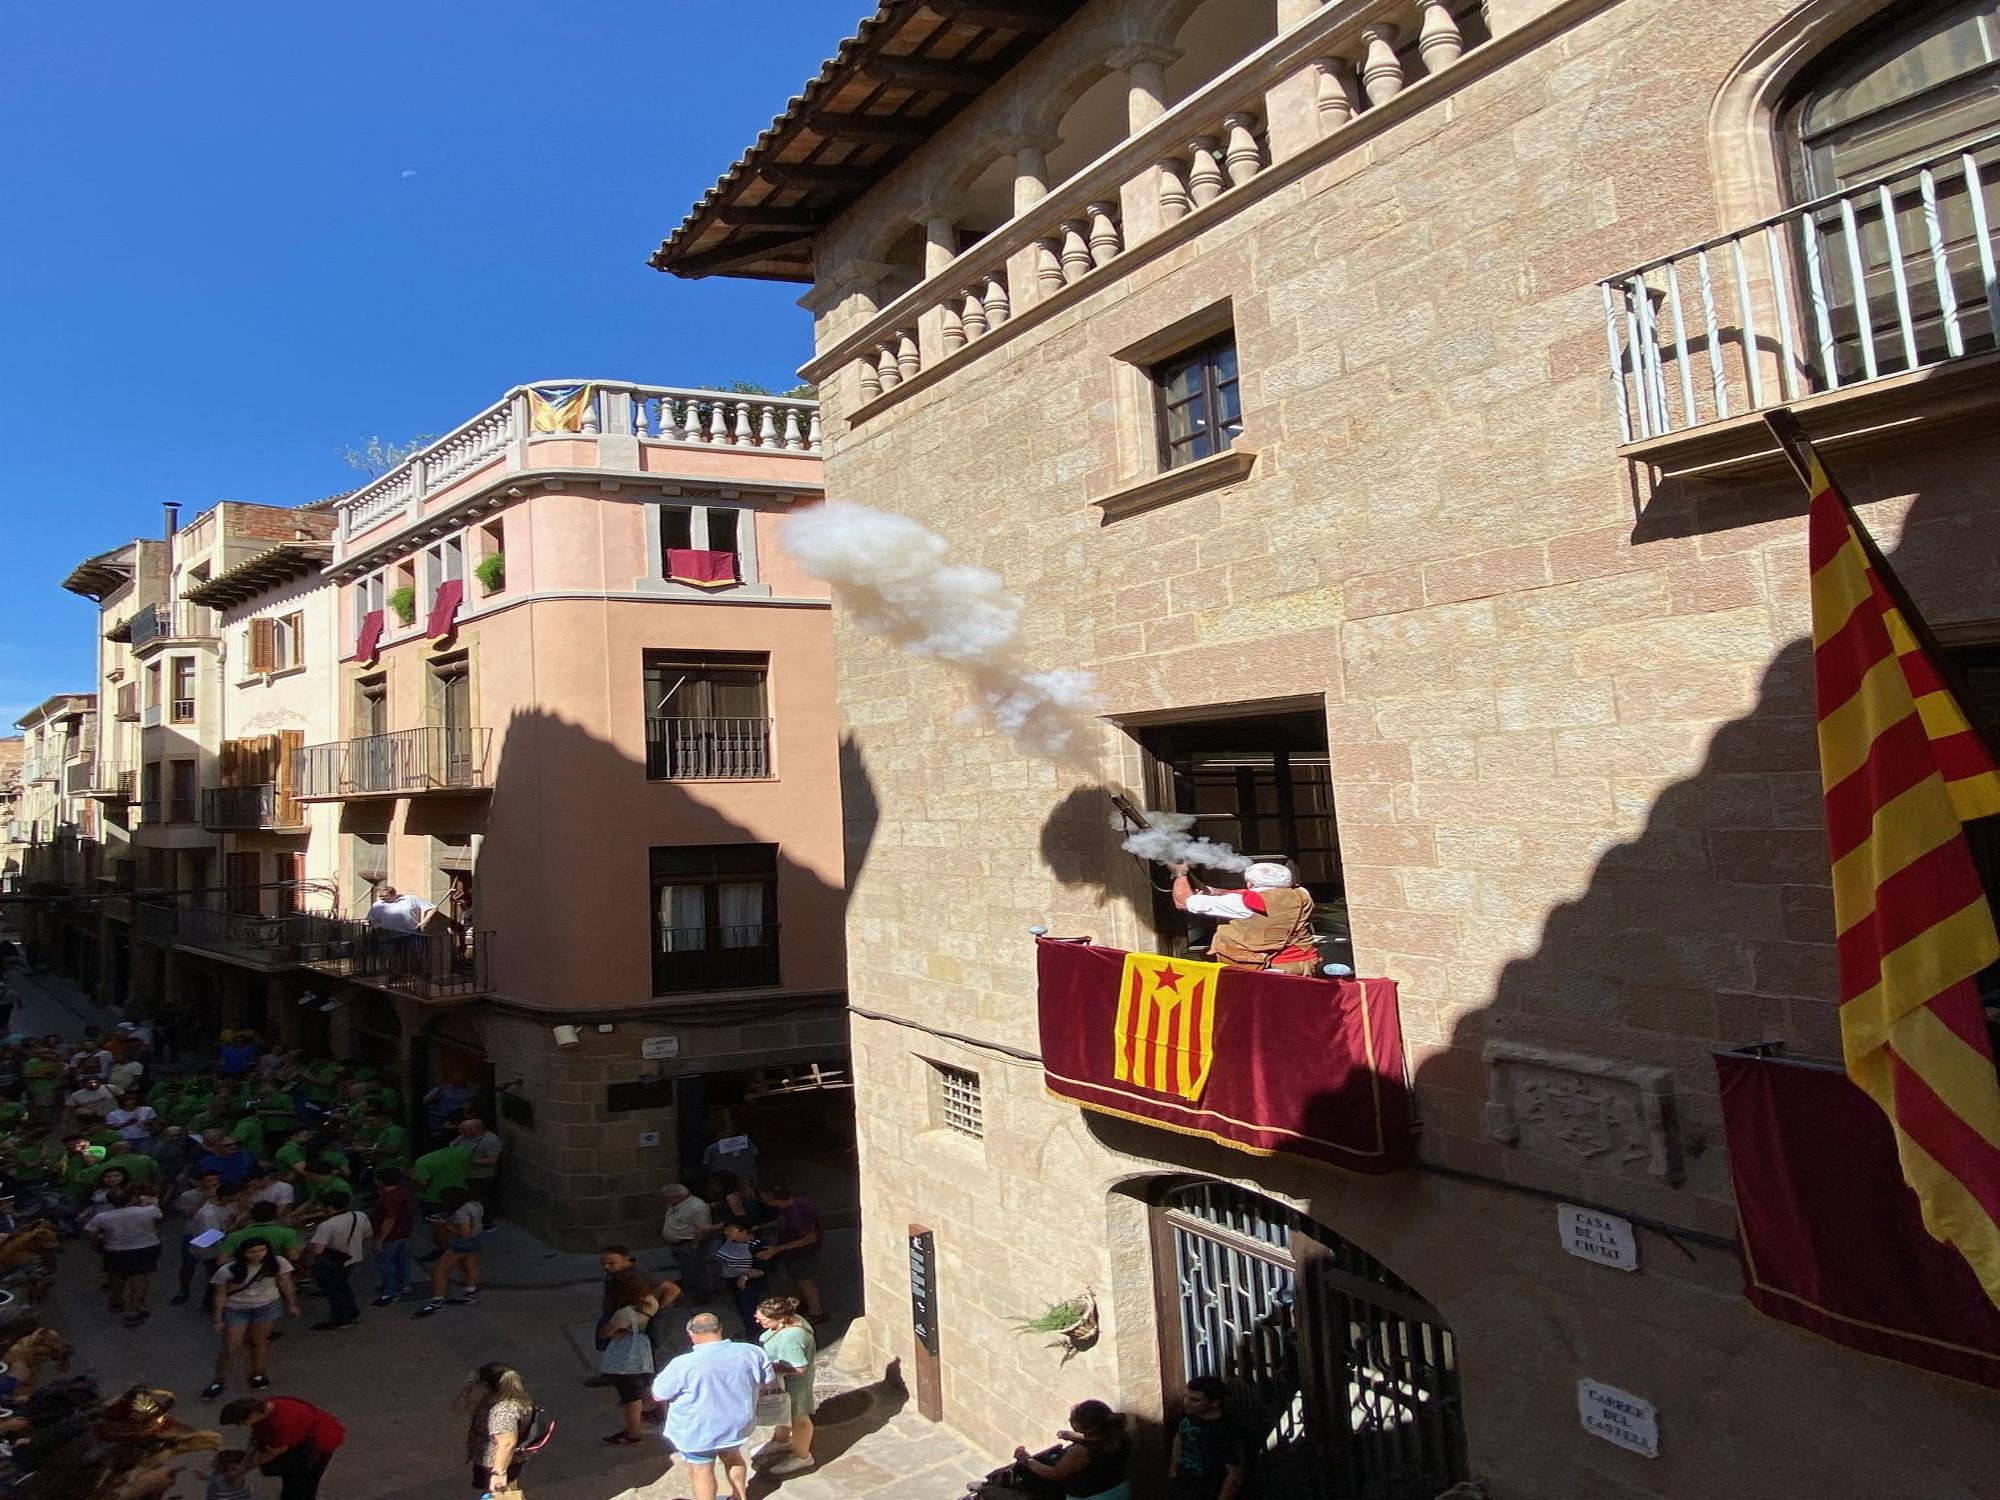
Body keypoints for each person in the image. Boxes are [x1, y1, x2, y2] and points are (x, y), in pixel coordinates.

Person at [650, 1312, 775, 1500]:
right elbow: (768, 1380)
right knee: (733, 1457)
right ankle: (739, 1497)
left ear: (691, 1334)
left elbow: (659, 1394)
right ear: (720, 1329)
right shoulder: (751, 1351)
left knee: (701, 1469)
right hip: (738, 1423)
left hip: (698, 1430)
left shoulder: (682, 1364)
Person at [1168, 860, 1318, 974]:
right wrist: (1213, 891)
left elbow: (1182, 902)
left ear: (1250, 884)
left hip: (1260, 967)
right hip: (1302, 962)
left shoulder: (1241, 903)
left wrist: (1181, 874)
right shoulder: (1302, 893)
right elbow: (1243, 895)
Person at [205, 1239, 302, 1399]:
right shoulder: (227, 1270)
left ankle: (257, 1373)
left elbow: (286, 1283)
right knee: (230, 1346)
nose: (258, 1254)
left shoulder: (277, 1263)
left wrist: (292, 1304)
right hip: (237, 1309)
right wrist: (218, 1318)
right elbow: (220, 1294)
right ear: (243, 1253)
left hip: (266, 1306)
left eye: (262, 1250)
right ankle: (219, 1379)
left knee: (260, 1341)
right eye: (253, 1251)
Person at [220, 1395, 346, 1500]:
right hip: (302, 1437)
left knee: (303, 1483)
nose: (243, 1425)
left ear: (253, 1414)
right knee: (291, 1479)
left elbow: (274, 1451)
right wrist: (245, 1462)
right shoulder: (266, 1408)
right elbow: (256, 1438)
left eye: (242, 1422)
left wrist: (245, 1468)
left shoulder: (282, 1422)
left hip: (317, 1444)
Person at [1012, 1401, 1133, 1500]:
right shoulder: (1119, 1435)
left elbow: (1055, 1474)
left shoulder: (1080, 1451)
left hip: (1091, 1496)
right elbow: (1099, 1444)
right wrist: (1076, 1437)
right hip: (1118, 1491)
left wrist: (1027, 1459)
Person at [754, 1296, 817, 1476]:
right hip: (785, 1383)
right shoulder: (793, 1319)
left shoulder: (791, 1338)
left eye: (763, 1319)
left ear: (781, 1319)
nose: (757, 1320)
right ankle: (782, 1441)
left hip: (795, 1385)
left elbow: (799, 1368)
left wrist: (771, 1368)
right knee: (784, 1412)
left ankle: (802, 1457)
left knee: (799, 1418)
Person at [598, 1270, 662, 1445]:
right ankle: (656, 1412)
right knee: (645, 1387)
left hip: (624, 1359)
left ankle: (633, 1432)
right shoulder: (651, 1303)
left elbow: (607, 1333)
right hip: (643, 1353)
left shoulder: (624, 1313)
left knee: (630, 1397)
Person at [88, 1186, 165, 1327]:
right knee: (140, 1278)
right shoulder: (148, 1211)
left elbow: (90, 1231)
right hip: (145, 1247)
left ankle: (118, 1300)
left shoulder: (102, 1217)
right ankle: (135, 1306)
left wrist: (98, 1246)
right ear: (133, 1198)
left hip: (116, 1249)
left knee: (118, 1276)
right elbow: (159, 1217)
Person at [459, 1362, 534, 1497]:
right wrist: (469, 1385)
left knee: (502, 1496)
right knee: (507, 1494)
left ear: (487, 1385)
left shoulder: (502, 1411)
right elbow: (463, 1406)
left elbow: (507, 1443)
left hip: (496, 1462)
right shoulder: (506, 1397)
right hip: (497, 1461)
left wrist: (498, 1473)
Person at [1167, 1377, 1245, 1500]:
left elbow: (1234, 1471)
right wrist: (1173, 1469)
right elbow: (1180, 1436)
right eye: (1186, 1397)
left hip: (1208, 1489)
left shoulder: (1225, 1430)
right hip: (1183, 1485)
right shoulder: (1189, 1415)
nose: (1186, 1403)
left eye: (1195, 1400)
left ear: (1214, 1402)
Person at [303, 1189, 370, 1330]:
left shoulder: (327, 1225)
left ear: (329, 1207)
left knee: (334, 1291)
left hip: (332, 1261)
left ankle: (341, 1318)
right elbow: (367, 1233)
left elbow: (318, 1250)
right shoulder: (359, 1215)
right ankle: (350, 1312)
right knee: (343, 1286)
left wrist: (307, 1246)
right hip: (353, 1256)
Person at [755, 1186, 824, 1320]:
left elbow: (810, 1238)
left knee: (806, 1282)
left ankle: (817, 1313)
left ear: (773, 1200)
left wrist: (777, 1249)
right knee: (799, 1281)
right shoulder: (792, 1205)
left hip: (803, 1253)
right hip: (793, 1252)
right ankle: (806, 1306)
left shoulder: (797, 1213)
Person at [413, 1185, 483, 1317]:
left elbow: (464, 1232)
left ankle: (438, 1301)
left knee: (439, 1271)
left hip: (461, 1244)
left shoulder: (461, 1211)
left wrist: (446, 1225)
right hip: (477, 1239)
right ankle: (470, 1295)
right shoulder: (476, 1205)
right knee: (470, 1267)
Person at [174, 1171, 233, 1307]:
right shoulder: (188, 1195)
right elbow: (188, 1215)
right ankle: (184, 1289)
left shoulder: (224, 1193)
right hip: (193, 1233)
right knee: (189, 1263)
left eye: (216, 1180)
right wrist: (204, 1200)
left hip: (215, 1231)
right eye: (209, 1180)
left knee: (214, 1264)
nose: (213, 1183)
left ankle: (211, 1296)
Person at [370, 1164, 417, 1305]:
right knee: (402, 1260)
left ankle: (390, 1291)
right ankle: (404, 1284)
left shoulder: (390, 1198)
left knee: (386, 1263)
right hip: (404, 1232)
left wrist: (379, 1240)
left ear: (380, 1181)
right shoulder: (402, 1192)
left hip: (391, 1236)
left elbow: (389, 1220)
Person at [660, 1181, 716, 1295]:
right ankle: (690, 1294)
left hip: (690, 1243)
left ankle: (699, 1297)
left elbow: (702, 1229)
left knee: (695, 1272)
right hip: (679, 1244)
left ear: (678, 1196)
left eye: (669, 1197)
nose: (667, 1200)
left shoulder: (696, 1207)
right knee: (686, 1272)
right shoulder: (676, 1205)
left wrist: (694, 1246)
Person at [713, 1220, 766, 1334]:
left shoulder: (756, 1245)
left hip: (749, 1283)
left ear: (743, 1231)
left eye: (731, 1230)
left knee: (750, 1309)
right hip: (731, 1279)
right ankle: (748, 1330)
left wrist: (744, 1276)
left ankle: (755, 1333)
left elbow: (761, 1268)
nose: (727, 1233)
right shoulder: (730, 1242)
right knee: (739, 1309)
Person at [220, 1202, 304, 1261]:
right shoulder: (287, 1233)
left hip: (243, 1278)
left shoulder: (234, 1236)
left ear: (251, 1216)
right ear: (274, 1215)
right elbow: (294, 1256)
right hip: (275, 1273)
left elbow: (222, 1260)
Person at [455, 1115, 504, 1218]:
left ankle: (486, 1221)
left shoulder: (490, 1140)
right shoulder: (464, 1136)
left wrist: (469, 1160)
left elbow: (492, 1161)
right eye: (463, 1129)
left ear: (479, 1129)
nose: (464, 1132)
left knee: (479, 1201)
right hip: (463, 1174)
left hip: (480, 1177)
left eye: (468, 1129)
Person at [703, 1125, 758, 1190]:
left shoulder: (711, 1148)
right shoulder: (747, 1143)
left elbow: (706, 1165)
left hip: (733, 1184)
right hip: (740, 1182)